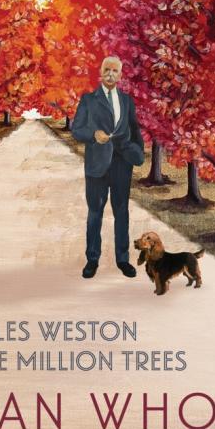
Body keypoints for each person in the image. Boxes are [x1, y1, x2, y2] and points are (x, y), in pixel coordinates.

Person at [71, 56, 145, 279]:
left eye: (115, 70)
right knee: (95, 212)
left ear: (120, 75)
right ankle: (92, 259)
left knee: (122, 212)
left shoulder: (127, 100)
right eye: (107, 69)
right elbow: (77, 129)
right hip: (97, 164)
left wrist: (137, 152)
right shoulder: (88, 100)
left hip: (122, 164)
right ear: (100, 72)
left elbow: (135, 129)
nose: (110, 74)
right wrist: (93, 134)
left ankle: (123, 260)